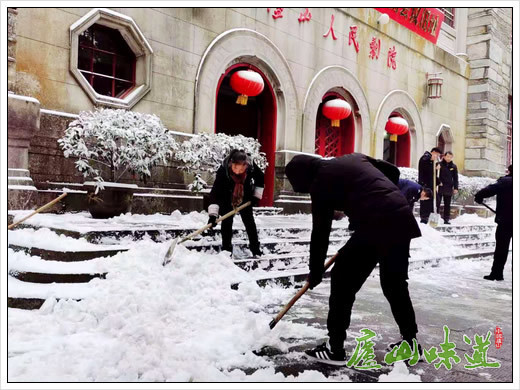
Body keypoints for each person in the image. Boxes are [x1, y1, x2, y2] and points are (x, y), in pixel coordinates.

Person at [285, 153, 421, 365]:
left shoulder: (319, 183)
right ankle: (411, 343)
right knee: (394, 284)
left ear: (303, 178)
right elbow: (392, 171)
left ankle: (335, 348)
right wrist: (375, 198)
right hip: (401, 216)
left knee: (342, 280)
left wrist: (316, 272)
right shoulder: (354, 158)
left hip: (376, 224)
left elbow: (320, 233)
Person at [207, 149, 264, 257]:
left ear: (246, 165)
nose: (238, 171)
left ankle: (256, 250)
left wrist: (255, 196)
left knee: (249, 223)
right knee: (227, 222)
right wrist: (213, 215)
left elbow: (260, 178)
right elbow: (215, 192)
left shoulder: (251, 167)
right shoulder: (223, 170)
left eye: (242, 168)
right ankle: (226, 251)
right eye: (236, 168)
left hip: (245, 197)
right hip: (227, 196)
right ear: (231, 164)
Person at [475, 164, 513, 281]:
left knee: (501, 248)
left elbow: (489, 190)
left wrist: (479, 196)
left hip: (505, 221)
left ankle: (497, 273)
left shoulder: (505, 182)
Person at [418, 147, 442, 223]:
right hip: (425, 184)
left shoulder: (433, 161)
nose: (437, 157)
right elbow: (425, 169)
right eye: (437, 154)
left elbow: (433, 174)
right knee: (426, 201)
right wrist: (432, 161)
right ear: (433, 152)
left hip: (432, 185)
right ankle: (424, 218)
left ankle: (432, 218)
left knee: (436, 201)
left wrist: (438, 182)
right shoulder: (425, 157)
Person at [436, 151, 459, 225]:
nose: (449, 158)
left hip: (449, 187)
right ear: (444, 156)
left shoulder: (453, 166)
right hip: (440, 187)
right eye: (447, 156)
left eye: (450, 157)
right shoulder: (439, 164)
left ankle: (446, 219)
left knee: (447, 204)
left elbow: (455, 178)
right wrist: (436, 169)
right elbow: (435, 175)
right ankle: (435, 218)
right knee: (437, 203)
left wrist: (455, 188)